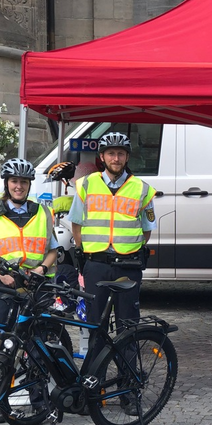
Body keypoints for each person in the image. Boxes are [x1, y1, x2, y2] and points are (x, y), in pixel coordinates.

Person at [68, 132, 157, 360]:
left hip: (128, 265)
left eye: (120, 154)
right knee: (96, 324)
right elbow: (76, 224)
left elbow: (146, 229)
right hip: (96, 264)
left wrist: (126, 246)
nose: (115, 158)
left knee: (128, 326)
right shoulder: (86, 185)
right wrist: (84, 251)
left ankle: (128, 384)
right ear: (102, 157)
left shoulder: (142, 188)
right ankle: (96, 384)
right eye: (111, 153)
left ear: (127, 157)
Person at [0, 158, 59, 349]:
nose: (19, 186)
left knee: (37, 337)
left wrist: (41, 268)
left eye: (24, 182)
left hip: (36, 284)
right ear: (6, 183)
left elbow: (53, 250)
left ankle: (36, 377)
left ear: (29, 185)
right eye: (14, 181)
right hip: (4, 284)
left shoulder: (43, 213)